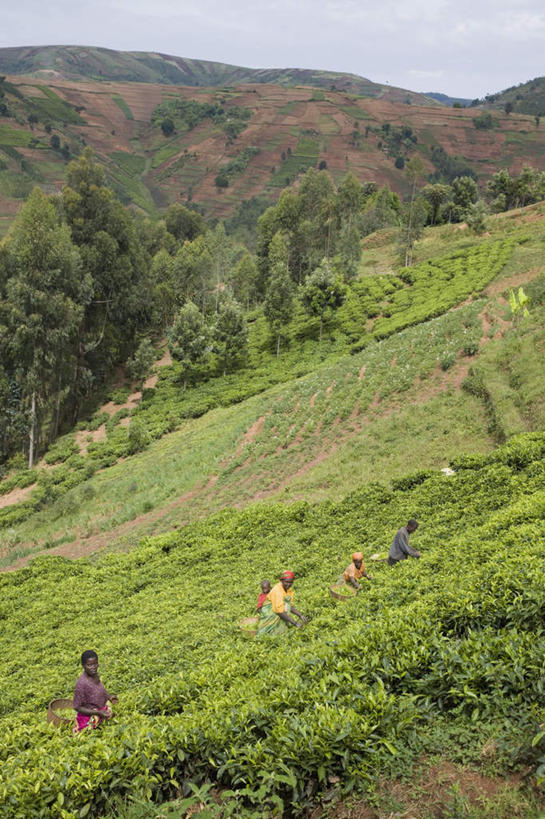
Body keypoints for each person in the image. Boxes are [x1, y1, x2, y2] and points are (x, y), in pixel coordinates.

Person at [73, 650, 116, 733]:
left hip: (101, 710)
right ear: (83, 665)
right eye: (89, 665)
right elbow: (77, 707)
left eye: (95, 664)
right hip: (89, 715)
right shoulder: (82, 683)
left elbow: (100, 689)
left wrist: (108, 697)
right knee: (89, 731)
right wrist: (98, 713)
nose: (93, 667)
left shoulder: (94, 674)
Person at [256, 571, 307, 637]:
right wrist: (295, 623)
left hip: (279, 611)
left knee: (282, 620)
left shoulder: (289, 590)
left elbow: (290, 605)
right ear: (281, 581)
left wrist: (300, 615)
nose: (288, 584)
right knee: (267, 632)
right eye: (286, 582)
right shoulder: (277, 591)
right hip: (270, 612)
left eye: (290, 582)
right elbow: (279, 611)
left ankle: (279, 632)